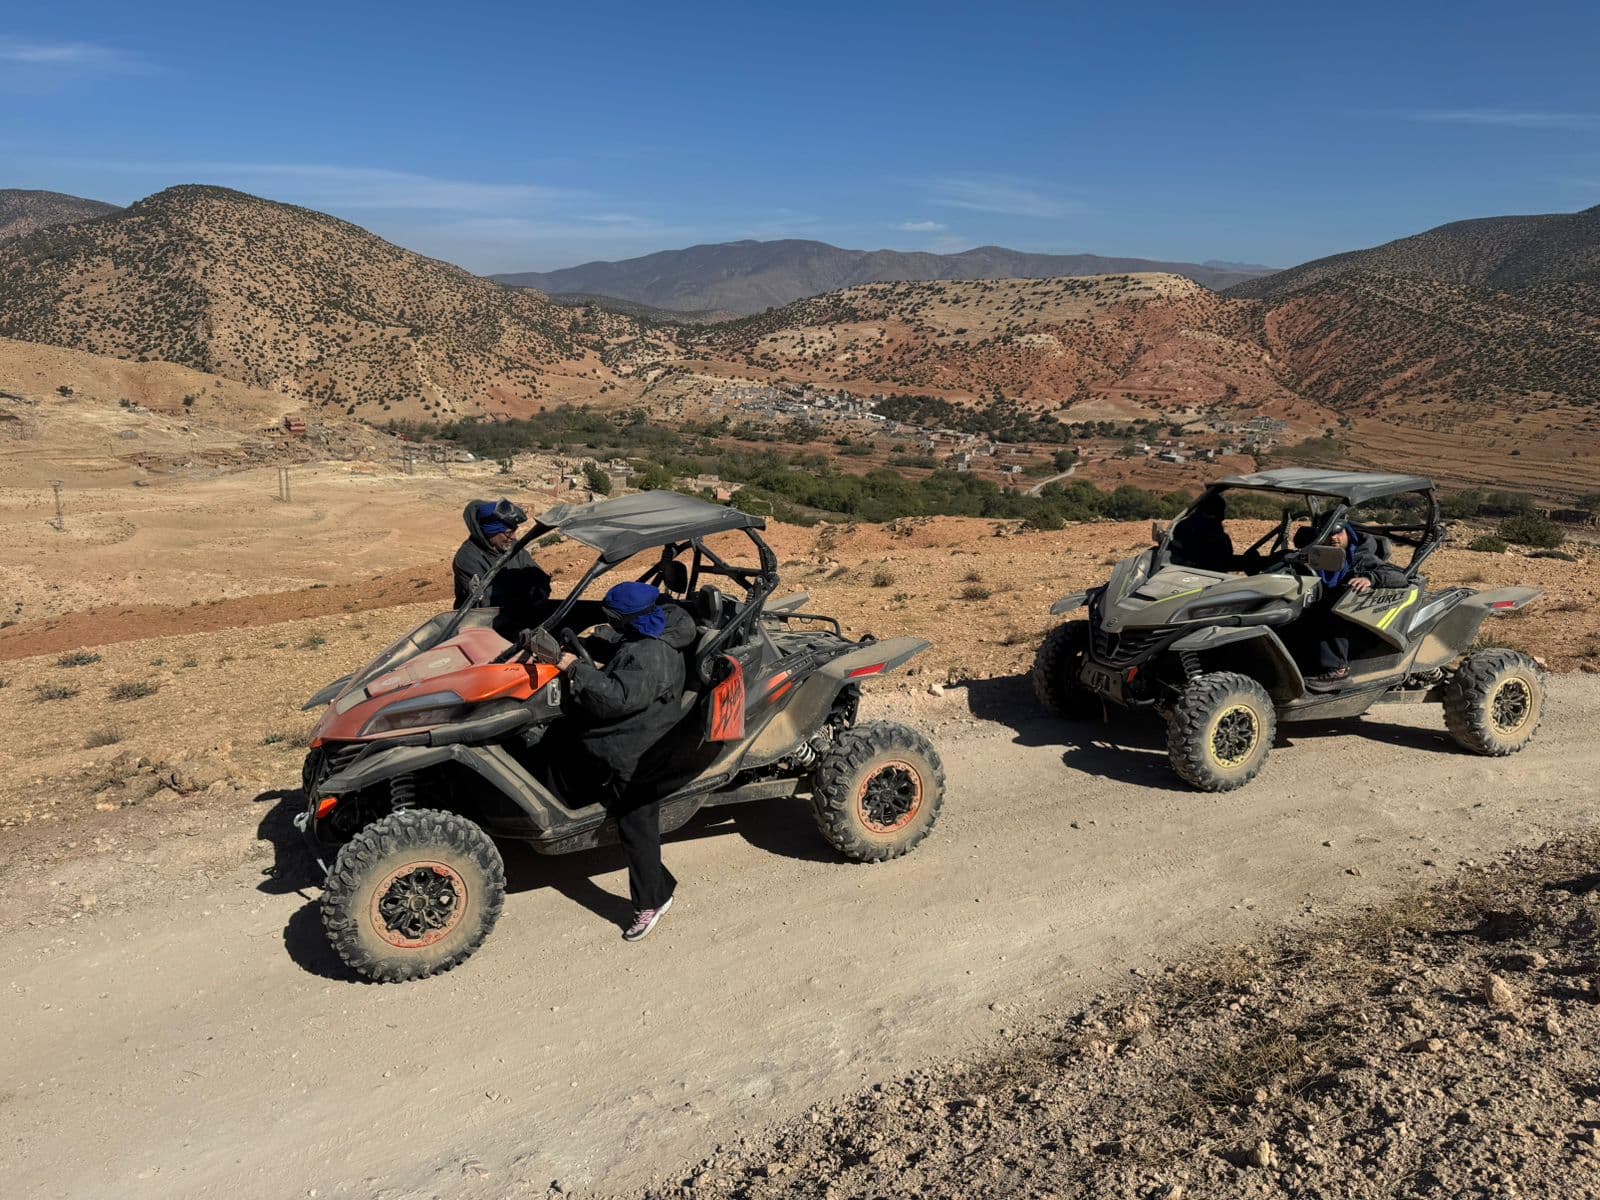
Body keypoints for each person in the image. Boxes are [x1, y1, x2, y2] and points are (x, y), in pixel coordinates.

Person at [555, 582, 697, 941]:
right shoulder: (654, 630)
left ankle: (652, 900)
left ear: (629, 619)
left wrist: (576, 669)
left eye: (614, 619)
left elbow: (617, 698)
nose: (611, 624)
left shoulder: (651, 654)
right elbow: (622, 653)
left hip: (640, 750)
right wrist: (587, 646)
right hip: (639, 732)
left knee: (637, 828)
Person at [1301, 523, 1410, 692]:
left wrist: (1370, 578)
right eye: (1328, 534)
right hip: (1330, 609)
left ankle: (1338, 670)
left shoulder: (1361, 556)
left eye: (1338, 533)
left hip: (1359, 617)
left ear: (1348, 533)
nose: (1333, 538)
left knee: (1327, 613)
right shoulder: (1317, 556)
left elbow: (1399, 577)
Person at [452, 498, 551, 614]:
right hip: (482, 623)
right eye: (509, 532)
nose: (514, 537)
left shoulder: (514, 548)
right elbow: (487, 602)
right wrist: (525, 588)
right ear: (491, 531)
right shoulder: (467, 558)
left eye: (514, 530)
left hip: (521, 614)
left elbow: (538, 576)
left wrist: (538, 588)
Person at [1169, 492, 1235, 573]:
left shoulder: (1186, 523)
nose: (1223, 517)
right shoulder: (1197, 526)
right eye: (1220, 511)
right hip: (1198, 568)